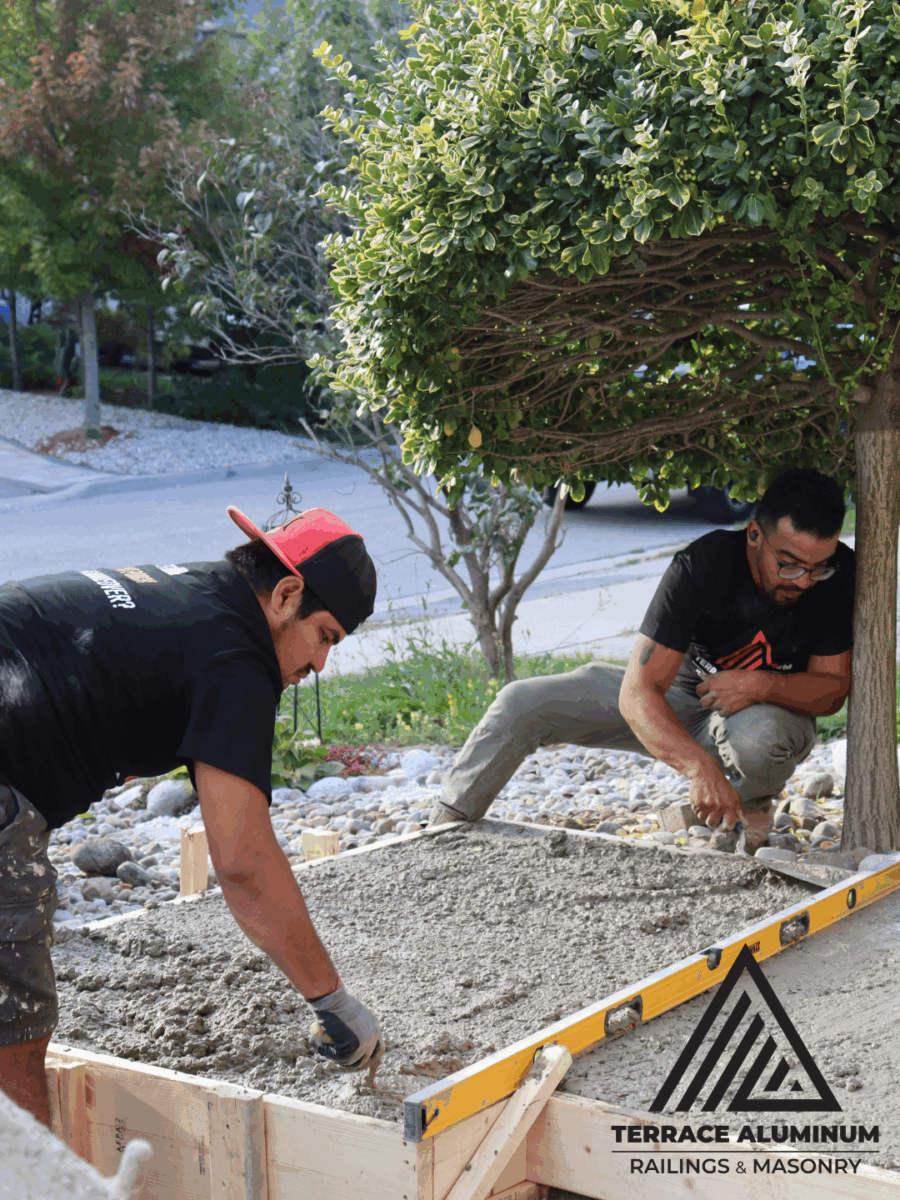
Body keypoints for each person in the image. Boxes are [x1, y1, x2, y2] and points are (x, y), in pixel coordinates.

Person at [0, 506, 382, 1132]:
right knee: (11, 1038)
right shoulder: (237, 656)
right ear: (287, 595)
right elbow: (243, 862)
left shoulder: (198, 594)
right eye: (326, 636)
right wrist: (332, 1000)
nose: (320, 665)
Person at [429, 468, 854, 853]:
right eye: (789, 565)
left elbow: (833, 689)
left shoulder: (834, 578)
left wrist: (761, 685)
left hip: (762, 716)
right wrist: (698, 767)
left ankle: (751, 804)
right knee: (520, 702)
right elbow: (638, 693)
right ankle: (441, 830)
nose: (803, 580)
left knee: (761, 739)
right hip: (678, 696)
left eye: (818, 568)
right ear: (754, 534)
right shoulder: (701, 566)